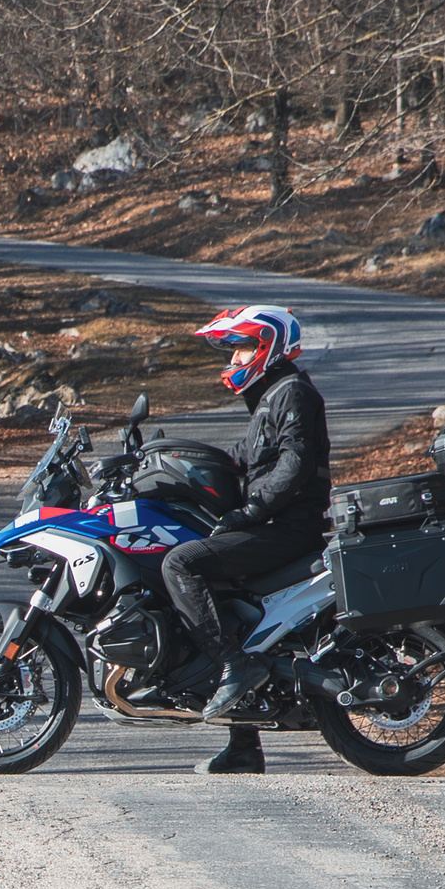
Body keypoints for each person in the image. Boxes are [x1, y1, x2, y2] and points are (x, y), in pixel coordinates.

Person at [161, 302, 332, 772]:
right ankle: (243, 746)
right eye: (231, 351)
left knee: (181, 563)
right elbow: (241, 458)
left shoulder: (293, 392)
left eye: (237, 349)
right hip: (272, 524)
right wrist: (170, 463)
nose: (232, 360)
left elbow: (294, 464)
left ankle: (236, 667)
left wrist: (249, 511)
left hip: (285, 529)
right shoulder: (272, 395)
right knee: (227, 608)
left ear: (265, 346)